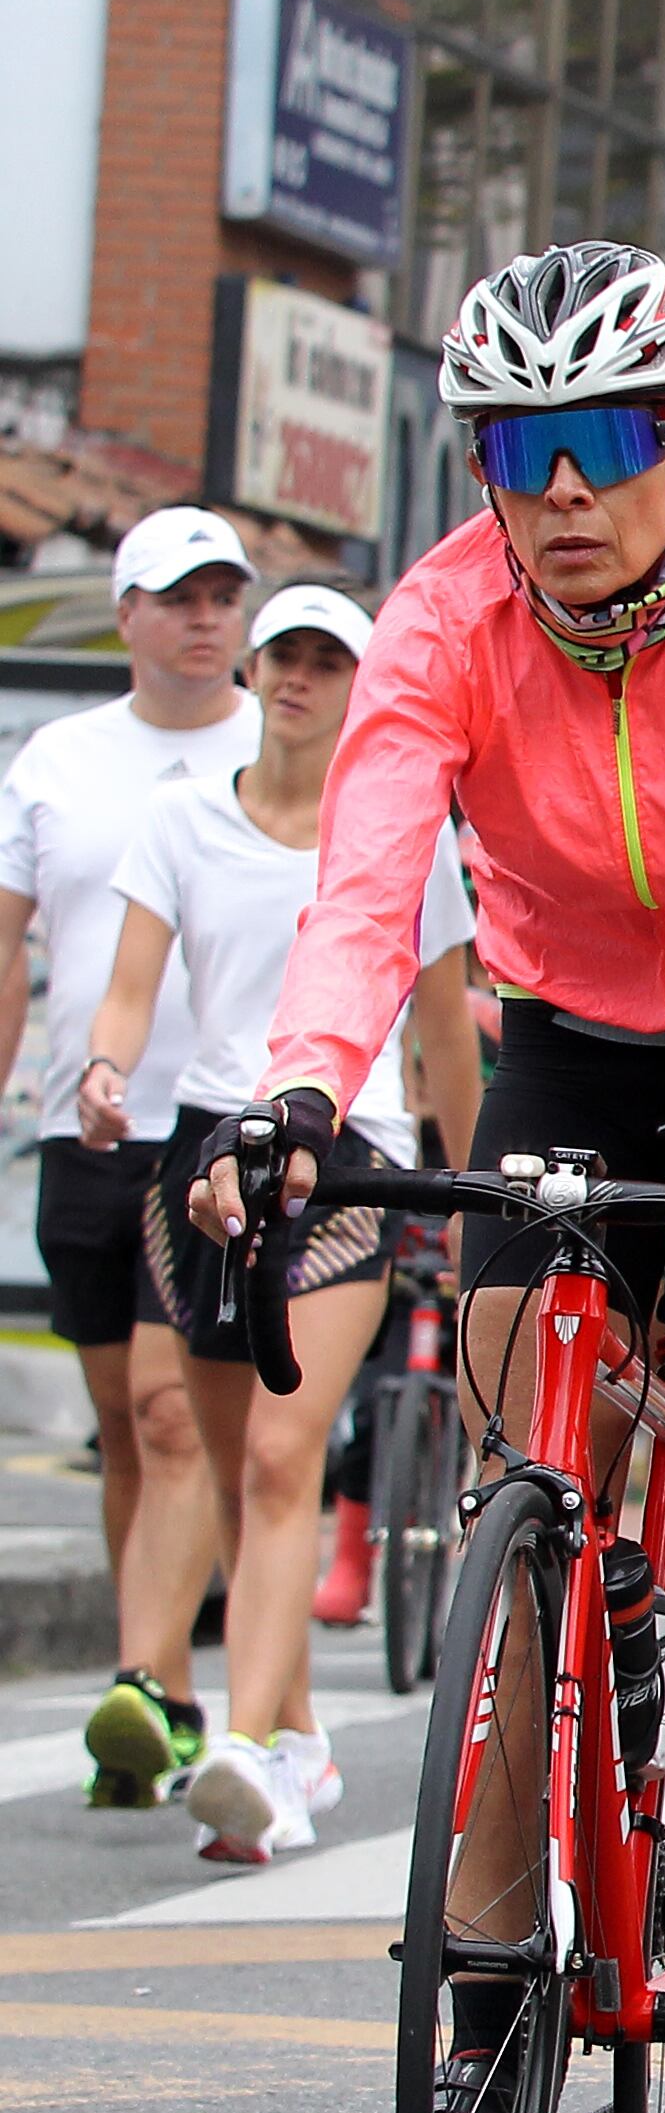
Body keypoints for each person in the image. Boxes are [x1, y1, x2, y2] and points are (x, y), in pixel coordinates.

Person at [198, 241, 665, 2113]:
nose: (565, 491)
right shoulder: (441, 622)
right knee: (526, 1521)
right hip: (573, 1032)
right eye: (521, 452)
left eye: (604, 441)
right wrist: (299, 1094)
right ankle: (485, 2028)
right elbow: (363, 894)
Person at [78, 583, 479, 1865]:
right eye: (284, 656)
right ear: (252, 672)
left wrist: (471, 1194)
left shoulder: (407, 838)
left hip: (351, 1156)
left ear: (364, 685)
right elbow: (131, 989)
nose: (300, 677)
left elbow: (444, 1030)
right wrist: (104, 1065)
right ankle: (296, 1730)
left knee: (278, 1451)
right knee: (223, 1466)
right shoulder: (180, 817)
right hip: (209, 1147)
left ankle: (245, 1745)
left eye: (328, 659)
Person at [0, 506, 260, 1807]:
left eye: (224, 596)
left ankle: (153, 1684)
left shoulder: (277, 749)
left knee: (172, 1411)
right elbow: (10, 942)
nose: (205, 619)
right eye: (179, 597)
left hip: (217, 1125)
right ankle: (153, 1676)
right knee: (122, 1422)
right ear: (128, 615)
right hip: (85, 1123)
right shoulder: (58, 759)